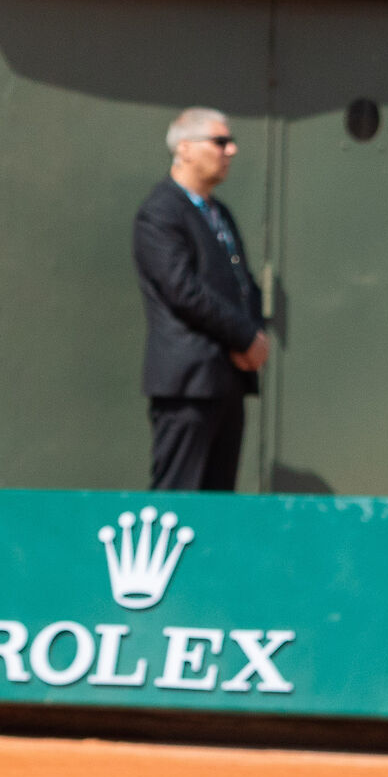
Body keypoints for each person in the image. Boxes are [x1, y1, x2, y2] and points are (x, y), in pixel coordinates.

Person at [134, 106, 270, 492]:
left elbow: (242, 284)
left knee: (217, 504)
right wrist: (244, 337)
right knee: (178, 498)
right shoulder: (160, 212)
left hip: (226, 380)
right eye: (220, 142)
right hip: (187, 384)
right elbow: (183, 291)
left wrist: (254, 335)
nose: (231, 151)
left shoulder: (218, 212)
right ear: (186, 148)